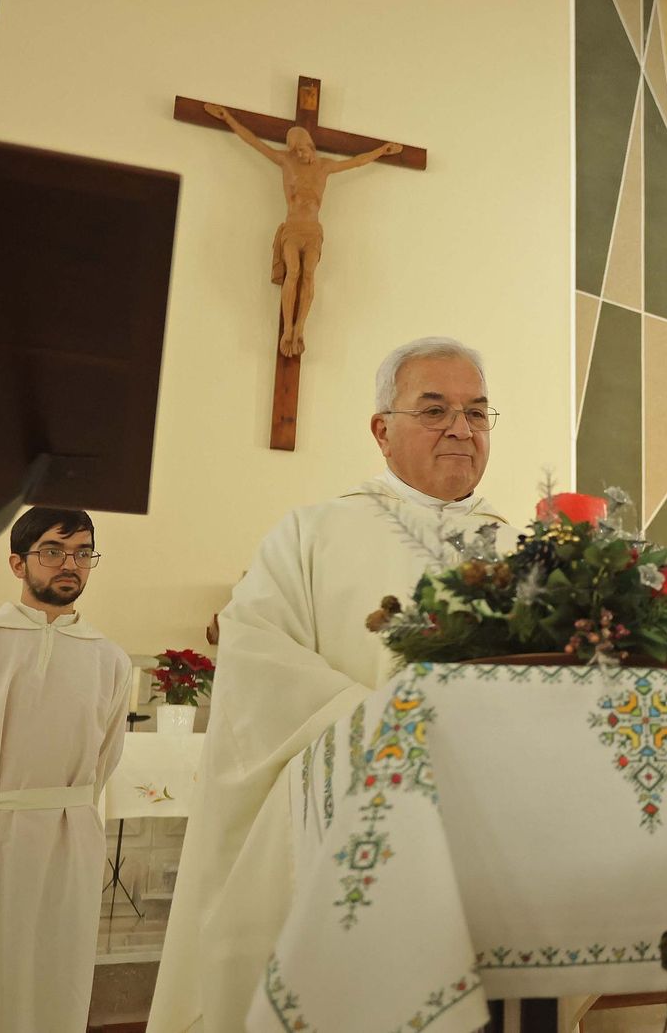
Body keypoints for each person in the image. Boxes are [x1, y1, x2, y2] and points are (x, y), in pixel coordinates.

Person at [150, 337, 509, 1031]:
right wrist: (388, 727)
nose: (461, 428)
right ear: (382, 429)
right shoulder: (312, 533)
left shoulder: (526, 551)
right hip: (345, 821)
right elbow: (257, 657)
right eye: (434, 410)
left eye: (477, 412)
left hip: (488, 833)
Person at [0, 508, 130, 1032]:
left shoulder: (111, 659)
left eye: (83, 553)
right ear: (18, 564)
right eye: (53, 551)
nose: (70, 564)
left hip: (61, 846)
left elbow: (102, 764)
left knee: (46, 975)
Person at [203, 102, 403, 357]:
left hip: (313, 231)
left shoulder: (325, 166)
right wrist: (228, 118)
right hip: (293, 229)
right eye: (294, 150)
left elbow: (358, 161)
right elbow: (254, 142)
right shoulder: (285, 161)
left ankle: (300, 329)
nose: (299, 154)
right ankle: (288, 329)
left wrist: (381, 151)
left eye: (302, 148)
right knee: (293, 273)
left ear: (310, 145)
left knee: (308, 275)